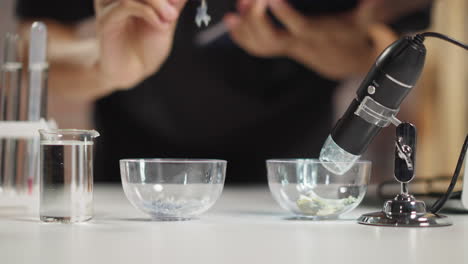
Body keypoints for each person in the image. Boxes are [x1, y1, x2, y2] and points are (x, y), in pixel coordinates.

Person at [15, 0, 431, 183]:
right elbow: (32, 44)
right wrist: (105, 64)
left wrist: (297, 39)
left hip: (299, 187)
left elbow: (381, 48)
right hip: (132, 191)